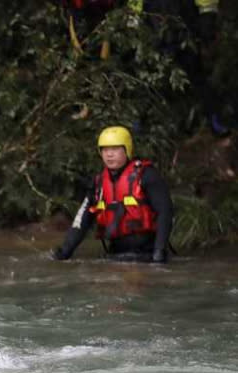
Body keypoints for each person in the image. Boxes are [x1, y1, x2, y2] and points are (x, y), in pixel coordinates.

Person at [53, 126, 174, 263]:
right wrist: (65, 251)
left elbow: (165, 212)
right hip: (116, 254)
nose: (109, 154)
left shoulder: (147, 176)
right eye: (104, 150)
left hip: (147, 253)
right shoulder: (98, 183)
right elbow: (82, 220)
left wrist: (159, 251)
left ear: (126, 150)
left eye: (115, 149)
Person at [129, 0, 229, 136]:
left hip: (185, 27)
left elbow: (207, 3)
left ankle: (215, 119)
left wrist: (208, 18)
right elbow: (134, 6)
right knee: (150, 78)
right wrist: (133, 26)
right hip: (153, 29)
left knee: (197, 76)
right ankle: (138, 122)